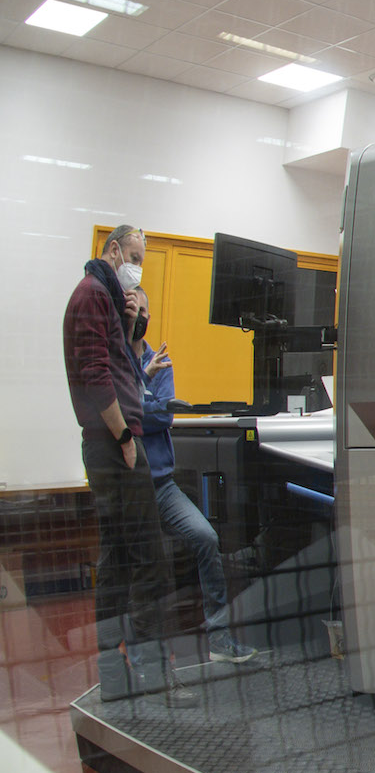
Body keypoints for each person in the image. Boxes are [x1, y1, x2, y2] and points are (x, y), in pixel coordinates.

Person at [62, 224, 182, 699]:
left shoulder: (103, 298)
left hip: (106, 445)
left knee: (116, 562)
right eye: (133, 257)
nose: (137, 268)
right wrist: (125, 435)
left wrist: (130, 328)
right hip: (114, 445)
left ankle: (114, 675)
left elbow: (119, 371)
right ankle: (154, 674)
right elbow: (95, 376)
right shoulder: (93, 294)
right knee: (150, 560)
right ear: (113, 250)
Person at [126, 285, 258, 665]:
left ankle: (219, 638)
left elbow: (162, 417)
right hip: (131, 487)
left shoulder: (160, 361)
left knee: (205, 538)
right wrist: (144, 402)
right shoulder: (118, 362)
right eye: (134, 310)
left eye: (144, 310)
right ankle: (142, 659)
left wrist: (141, 406)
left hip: (162, 486)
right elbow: (125, 416)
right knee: (139, 566)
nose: (140, 316)